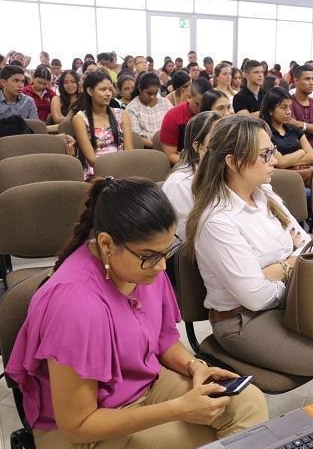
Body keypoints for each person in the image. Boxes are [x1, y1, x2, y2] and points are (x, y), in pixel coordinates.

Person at [6, 177, 268, 448]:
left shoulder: (144, 268)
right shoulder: (75, 305)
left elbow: (163, 338)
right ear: (107, 245)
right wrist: (179, 409)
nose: (161, 267)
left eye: (165, 252)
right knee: (223, 435)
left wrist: (195, 366)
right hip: (85, 427)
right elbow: (78, 425)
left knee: (248, 403)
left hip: (142, 385)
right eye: (151, 256)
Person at [183, 115, 313, 400]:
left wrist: (275, 270)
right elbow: (254, 297)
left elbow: (307, 246)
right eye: (265, 153)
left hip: (289, 300)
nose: (276, 158)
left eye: (272, 150)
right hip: (243, 322)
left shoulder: (265, 194)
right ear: (232, 162)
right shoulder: (218, 220)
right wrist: (292, 265)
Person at [163, 111, 221, 239]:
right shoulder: (179, 183)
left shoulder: (227, 171)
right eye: (217, 139)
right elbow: (186, 237)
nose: (225, 145)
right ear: (198, 147)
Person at [73, 72, 133, 178]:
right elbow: (91, 159)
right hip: (96, 172)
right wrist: (111, 172)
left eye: (110, 89)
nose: (108, 93)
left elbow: (129, 151)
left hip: (123, 168)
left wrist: (121, 170)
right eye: (103, 89)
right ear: (90, 91)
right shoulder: (80, 119)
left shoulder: (122, 115)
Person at [260, 87, 313, 175]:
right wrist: (301, 152)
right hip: (278, 178)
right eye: (283, 108)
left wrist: (288, 163)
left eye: (290, 107)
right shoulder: (264, 133)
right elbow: (280, 162)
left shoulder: (294, 129)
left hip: (300, 175)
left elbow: (312, 156)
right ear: (270, 110)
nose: (288, 112)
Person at [160, 78, 212, 165]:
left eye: (206, 105)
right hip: (185, 165)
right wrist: (197, 165)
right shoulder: (173, 117)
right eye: (197, 104)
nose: (202, 109)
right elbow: (169, 155)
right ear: (189, 97)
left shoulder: (214, 114)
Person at [125, 72, 173, 148]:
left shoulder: (165, 103)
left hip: (169, 144)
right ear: (140, 90)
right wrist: (157, 146)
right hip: (146, 149)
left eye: (155, 93)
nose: (152, 97)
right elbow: (136, 137)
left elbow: (173, 127)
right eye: (149, 93)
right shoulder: (132, 108)